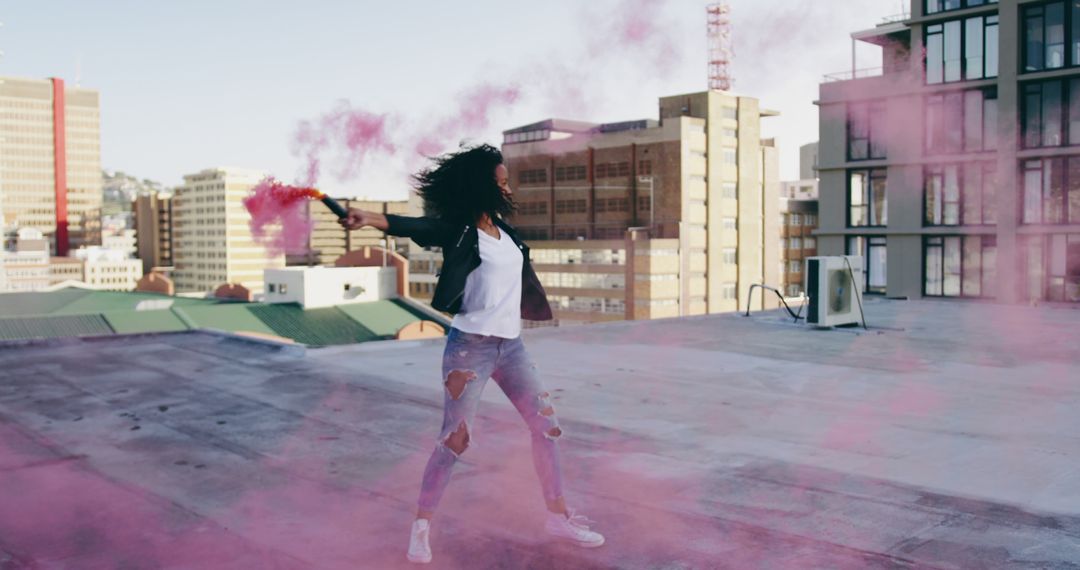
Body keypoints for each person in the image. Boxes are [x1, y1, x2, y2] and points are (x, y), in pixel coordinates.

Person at [338, 144, 604, 564]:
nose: (508, 187)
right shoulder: (461, 230)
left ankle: (557, 516)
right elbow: (413, 225)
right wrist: (368, 218)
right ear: (484, 187)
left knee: (548, 428)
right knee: (455, 440)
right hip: (470, 349)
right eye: (501, 182)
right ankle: (421, 528)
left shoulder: (506, 233)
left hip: (511, 347)